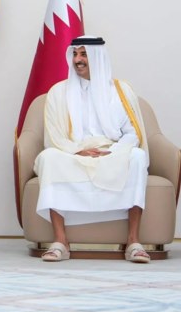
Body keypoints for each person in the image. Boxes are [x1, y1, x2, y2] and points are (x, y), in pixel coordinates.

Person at [33, 35, 151, 263]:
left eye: (83, 54)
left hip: (111, 151)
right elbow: (54, 135)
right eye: (75, 54)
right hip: (73, 152)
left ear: (97, 57)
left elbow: (132, 133)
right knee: (48, 158)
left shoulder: (121, 91)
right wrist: (76, 151)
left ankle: (133, 242)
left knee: (137, 157)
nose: (78, 60)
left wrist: (115, 151)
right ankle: (60, 242)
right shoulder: (59, 92)